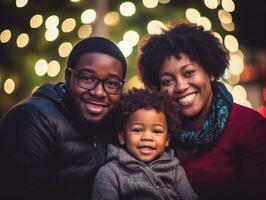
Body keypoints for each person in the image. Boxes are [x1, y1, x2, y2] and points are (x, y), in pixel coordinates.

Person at [138, 23, 266, 200]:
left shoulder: (249, 126)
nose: (181, 86)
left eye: (189, 73)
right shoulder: (154, 132)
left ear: (211, 72)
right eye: (167, 81)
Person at [0, 37, 127, 200]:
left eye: (111, 83)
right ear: (68, 76)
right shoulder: (31, 120)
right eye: (87, 78)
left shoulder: (119, 123)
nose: (99, 92)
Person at [91, 88, 198, 200]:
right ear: (122, 137)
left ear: (167, 140)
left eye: (157, 131)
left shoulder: (175, 170)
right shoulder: (110, 173)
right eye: (137, 130)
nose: (147, 137)